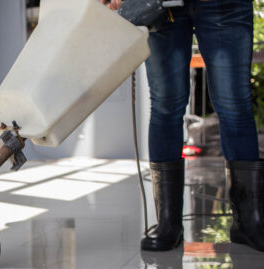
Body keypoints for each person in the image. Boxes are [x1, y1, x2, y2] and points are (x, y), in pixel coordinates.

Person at [103, 0, 264, 252]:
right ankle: (168, 223)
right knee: (166, 106)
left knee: (234, 105)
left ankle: (248, 222)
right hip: (161, 6)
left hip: (226, 4)